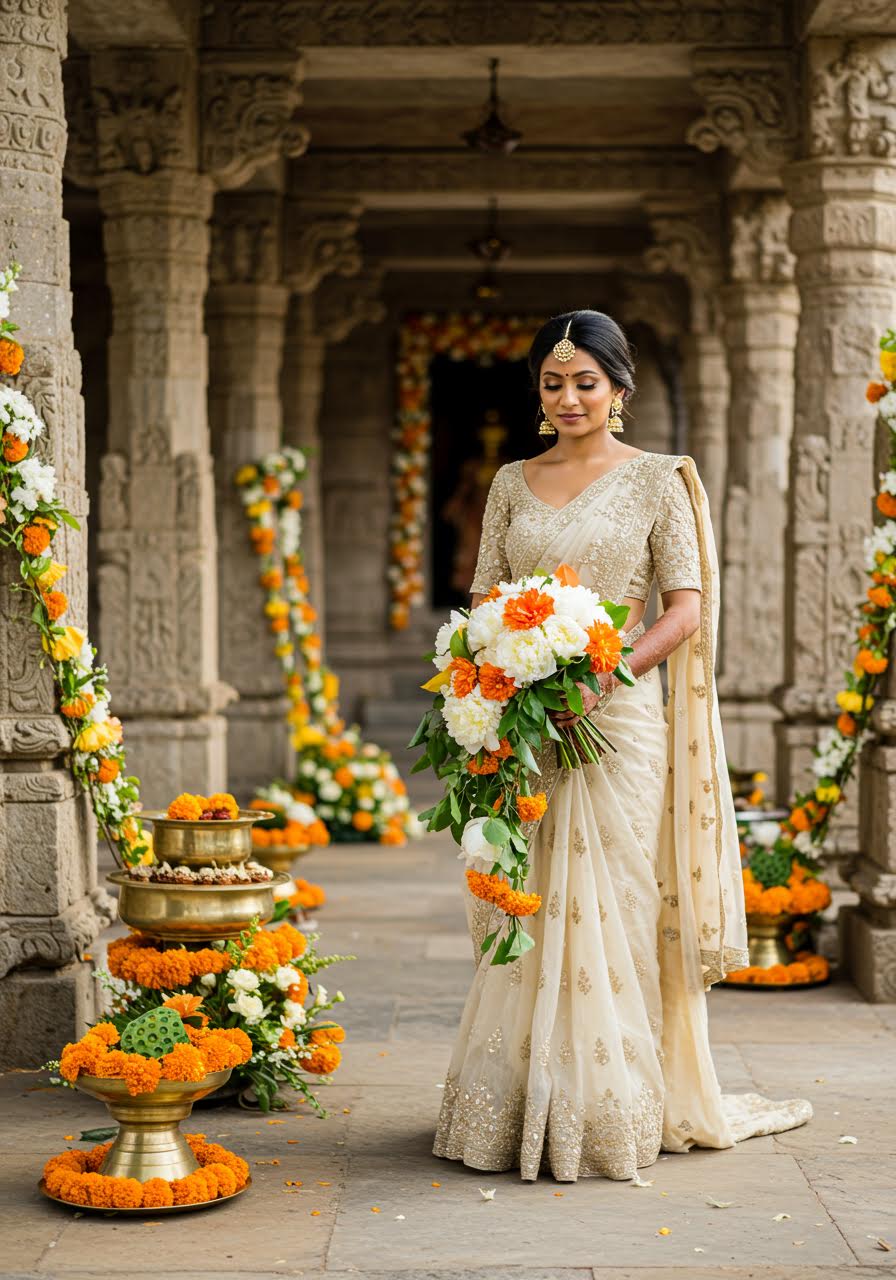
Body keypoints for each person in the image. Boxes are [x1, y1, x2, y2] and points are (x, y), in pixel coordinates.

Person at [433, 309, 812, 1182]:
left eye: (585, 383)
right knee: (528, 894)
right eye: (554, 383)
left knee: (616, 903)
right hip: (526, 719)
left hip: (620, 718)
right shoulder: (509, 483)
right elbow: (484, 598)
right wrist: (490, 678)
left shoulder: (657, 481)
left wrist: (607, 673)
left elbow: (684, 608)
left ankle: (612, 1108)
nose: (569, 398)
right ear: (538, 394)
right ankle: (521, 1104)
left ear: (619, 391)